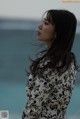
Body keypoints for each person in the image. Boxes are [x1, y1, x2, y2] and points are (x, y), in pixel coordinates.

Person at [22, 9, 79, 119]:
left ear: (58, 32)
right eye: (43, 22)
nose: (40, 26)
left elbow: (33, 109)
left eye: (46, 23)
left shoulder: (49, 64)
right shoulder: (69, 62)